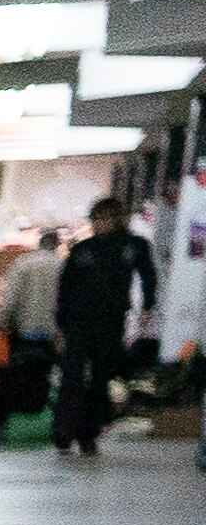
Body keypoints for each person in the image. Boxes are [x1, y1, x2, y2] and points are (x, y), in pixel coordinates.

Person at [52, 196, 162, 457]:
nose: (100, 225)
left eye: (106, 219)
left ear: (117, 219)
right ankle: (64, 430)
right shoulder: (82, 251)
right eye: (97, 219)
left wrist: (148, 306)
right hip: (78, 321)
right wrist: (60, 325)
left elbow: (149, 275)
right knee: (72, 376)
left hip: (111, 321)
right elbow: (65, 289)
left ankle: (89, 433)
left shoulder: (133, 246)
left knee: (101, 377)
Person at [0, 231, 65, 422]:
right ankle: (47, 416)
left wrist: (3, 322)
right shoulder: (62, 265)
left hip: (25, 331)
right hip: (53, 333)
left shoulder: (22, 263)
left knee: (25, 375)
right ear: (56, 245)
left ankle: (24, 415)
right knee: (48, 377)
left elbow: (10, 299)